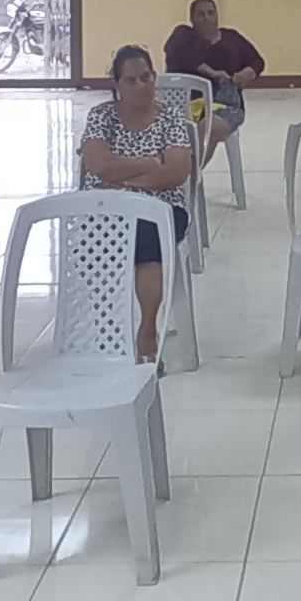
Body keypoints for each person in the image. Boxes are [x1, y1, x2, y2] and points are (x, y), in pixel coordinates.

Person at [78, 44, 198, 363]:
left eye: (146, 77)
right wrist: (149, 162)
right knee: (95, 240)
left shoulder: (170, 119)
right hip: (106, 207)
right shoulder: (102, 116)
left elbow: (176, 171)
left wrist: (124, 179)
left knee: (147, 238)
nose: (141, 86)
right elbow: (98, 163)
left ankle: (147, 329)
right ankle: (108, 328)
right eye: (130, 80)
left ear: (154, 77)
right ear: (117, 84)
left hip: (162, 206)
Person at [165, 0, 263, 162]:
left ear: (217, 15)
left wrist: (245, 74)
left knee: (208, 126)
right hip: (189, 102)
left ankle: (189, 172)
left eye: (211, 13)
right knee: (197, 126)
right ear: (192, 19)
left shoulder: (231, 37)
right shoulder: (183, 35)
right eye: (201, 14)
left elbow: (257, 61)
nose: (206, 18)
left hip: (227, 103)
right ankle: (189, 172)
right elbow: (180, 55)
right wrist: (213, 72)